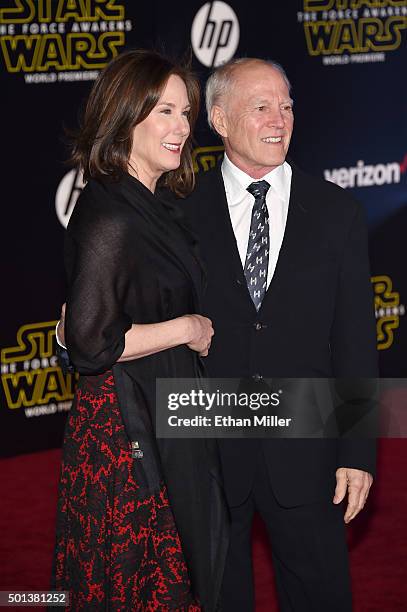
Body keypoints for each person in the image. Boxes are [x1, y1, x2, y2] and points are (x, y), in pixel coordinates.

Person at [176, 58, 378, 611]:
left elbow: (357, 339)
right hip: (210, 444)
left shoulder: (338, 211)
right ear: (218, 119)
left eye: (286, 105)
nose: (279, 118)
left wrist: (358, 448)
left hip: (308, 446)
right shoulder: (180, 214)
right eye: (261, 105)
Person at [51, 49, 228, 611]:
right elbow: (90, 342)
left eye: (185, 113)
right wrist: (187, 327)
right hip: (128, 431)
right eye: (165, 112)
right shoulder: (110, 214)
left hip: (167, 405)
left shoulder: (154, 203)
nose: (181, 127)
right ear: (126, 116)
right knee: (144, 583)